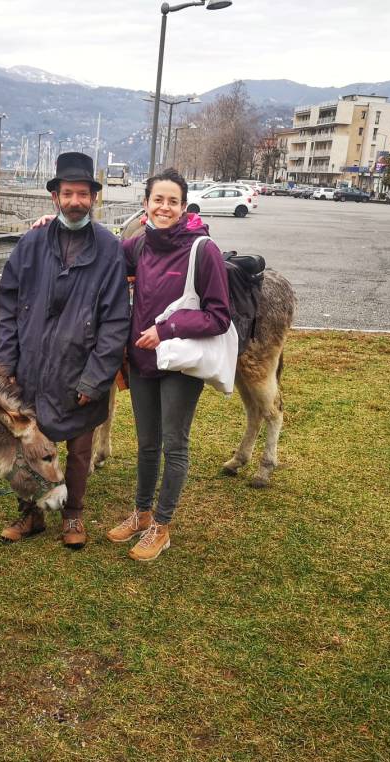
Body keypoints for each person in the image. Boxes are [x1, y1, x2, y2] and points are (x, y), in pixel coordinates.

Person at [0, 152, 130, 550]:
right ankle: (30, 513)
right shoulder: (32, 243)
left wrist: (95, 377)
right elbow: (6, 305)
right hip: (31, 370)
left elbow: (115, 322)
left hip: (80, 370)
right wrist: (6, 361)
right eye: (68, 193)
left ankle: (73, 516)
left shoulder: (109, 250)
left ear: (93, 199)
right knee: (28, 447)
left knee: (79, 450)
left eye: (83, 194)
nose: (75, 201)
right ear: (55, 197)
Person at [105, 168, 232, 561]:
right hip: (142, 360)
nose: (164, 207)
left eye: (172, 201)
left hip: (180, 361)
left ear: (183, 206)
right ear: (145, 204)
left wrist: (168, 328)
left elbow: (219, 315)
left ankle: (162, 524)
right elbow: (98, 251)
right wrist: (49, 226)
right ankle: (141, 513)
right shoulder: (140, 245)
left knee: (174, 445)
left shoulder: (202, 249)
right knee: (146, 444)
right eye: (157, 199)